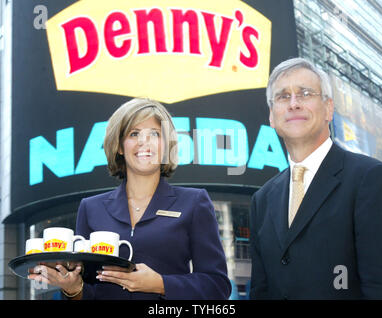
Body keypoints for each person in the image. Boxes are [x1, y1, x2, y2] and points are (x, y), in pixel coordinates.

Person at [29, 98, 231, 300]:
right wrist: (73, 289)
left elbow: (217, 286)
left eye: (154, 134)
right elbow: (88, 291)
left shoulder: (194, 203)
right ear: (119, 146)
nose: (144, 141)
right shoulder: (91, 208)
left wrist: (160, 284)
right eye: (134, 134)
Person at [249, 57, 382, 299]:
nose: (293, 104)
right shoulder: (262, 199)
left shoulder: (369, 179)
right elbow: (261, 290)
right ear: (271, 116)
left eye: (305, 93)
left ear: (329, 108)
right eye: (282, 96)